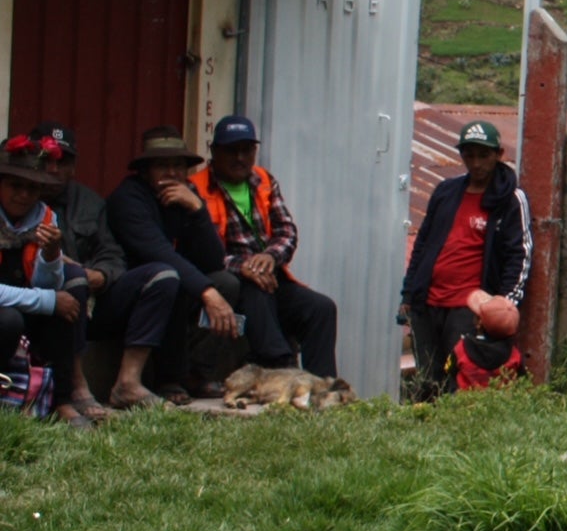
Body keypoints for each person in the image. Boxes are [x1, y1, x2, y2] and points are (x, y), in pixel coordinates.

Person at [30, 121, 182, 413]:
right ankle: (76, 385)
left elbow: (112, 254)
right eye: (46, 160)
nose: (53, 169)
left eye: (63, 162)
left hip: (96, 300)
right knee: (73, 279)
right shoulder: (21, 198)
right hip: (49, 306)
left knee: (163, 275)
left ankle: (128, 383)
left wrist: (101, 274)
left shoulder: (89, 202)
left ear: (74, 166)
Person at [189, 115, 338, 379]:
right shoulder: (197, 188)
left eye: (247, 150)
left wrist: (270, 256)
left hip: (270, 276)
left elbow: (287, 231)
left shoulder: (263, 180)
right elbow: (199, 253)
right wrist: (242, 266)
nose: (240, 158)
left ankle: (322, 384)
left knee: (321, 308)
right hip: (230, 280)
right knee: (254, 289)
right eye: (232, 151)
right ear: (214, 152)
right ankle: (280, 368)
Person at [104, 125, 242, 401]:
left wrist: (198, 210)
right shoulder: (128, 199)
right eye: (162, 166)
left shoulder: (185, 196)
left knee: (225, 282)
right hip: (130, 294)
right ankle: (168, 379)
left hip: (172, 282)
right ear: (145, 171)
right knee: (173, 278)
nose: (172, 174)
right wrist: (207, 292)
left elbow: (212, 259)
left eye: (178, 166)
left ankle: (196, 374)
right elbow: (158, 253)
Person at [400, 121, 529, 399]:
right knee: (427, 380)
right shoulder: (446, 192)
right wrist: (409, 293)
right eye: (469, 155)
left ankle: (455, 437)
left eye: (483, 155)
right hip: (429, 303)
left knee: (461, 382)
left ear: (499, 154)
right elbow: (422, 245)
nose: (476, 163)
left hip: (469, 309)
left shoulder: (510, 199)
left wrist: (499, 308)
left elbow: (519, 255)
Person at [0, 135, 92, 427]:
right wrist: (48, 301)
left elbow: (46, 285)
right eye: (16, 186)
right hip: (8, 314)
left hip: (26, 304)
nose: (24, 195)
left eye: (33, 188)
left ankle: (61, 399)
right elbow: (46, 298)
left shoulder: (44, 217)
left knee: (71, 285)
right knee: (10, 320)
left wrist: (51, 255)